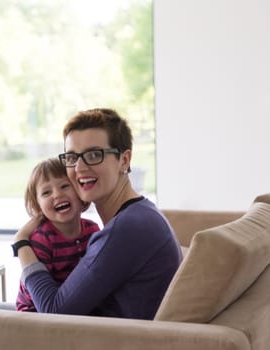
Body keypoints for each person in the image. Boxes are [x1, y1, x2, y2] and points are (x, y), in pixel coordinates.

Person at [12, 108, 182, 319]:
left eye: (94, 155)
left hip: (104, 338)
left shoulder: (127, 229)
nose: (80, 168)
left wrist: (21, 244)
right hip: (99, 330)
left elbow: (54, 312)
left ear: (124, 160)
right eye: (72, 157)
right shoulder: (142, 213)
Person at [16, 158, 100, 312]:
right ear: (38, 205)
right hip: (34, 313)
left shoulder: (92, 230)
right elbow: (42, 301)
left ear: (80, 191)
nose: (57, 194)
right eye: (46, 192)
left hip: (75, 305)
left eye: (64, 186)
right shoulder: (42, 239)